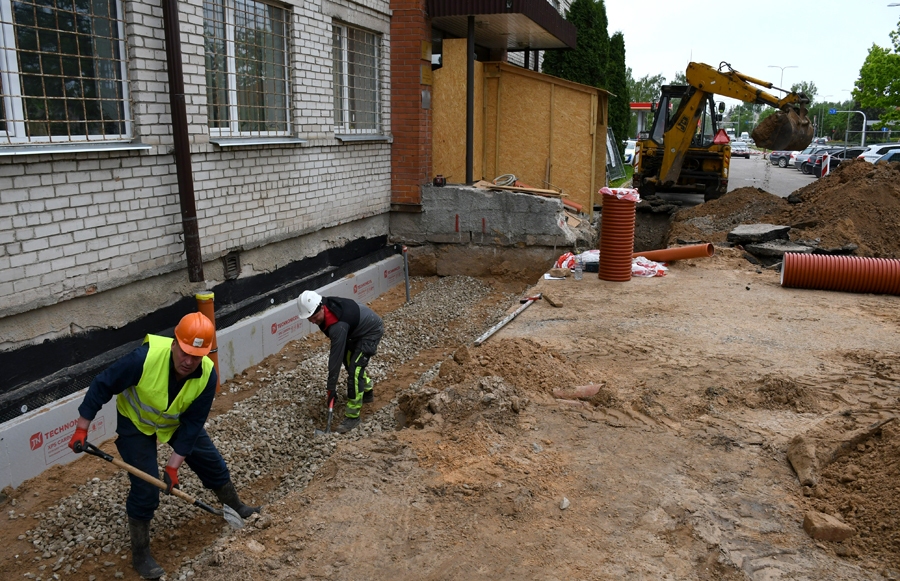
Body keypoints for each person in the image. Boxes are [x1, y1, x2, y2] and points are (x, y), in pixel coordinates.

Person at [68, 312, 259, 580]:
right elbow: (102, 385)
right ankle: (140, 553)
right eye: (184, 352)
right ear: (174, 343)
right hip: (136, 423)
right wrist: (81, 428)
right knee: (146, 488)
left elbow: (192, 426)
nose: (189, 361)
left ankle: (236, 506)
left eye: (196, 356)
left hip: (175, 422)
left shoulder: (206, 376)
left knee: (212, 462)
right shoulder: (143, 359)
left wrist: (172, 467)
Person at [297, 290, 384, 433]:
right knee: (349, 362)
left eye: (313, 316)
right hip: (354, 332)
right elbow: (339, 353)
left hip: (370, 331)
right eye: (309, 318)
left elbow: (335, 359)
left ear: (321, 307)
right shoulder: (324, 310)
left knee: (355, 370)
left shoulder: (337, 324)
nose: (312, 321)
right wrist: (331, 388)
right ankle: (367, 392)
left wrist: (331, 388)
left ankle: (353, 416)